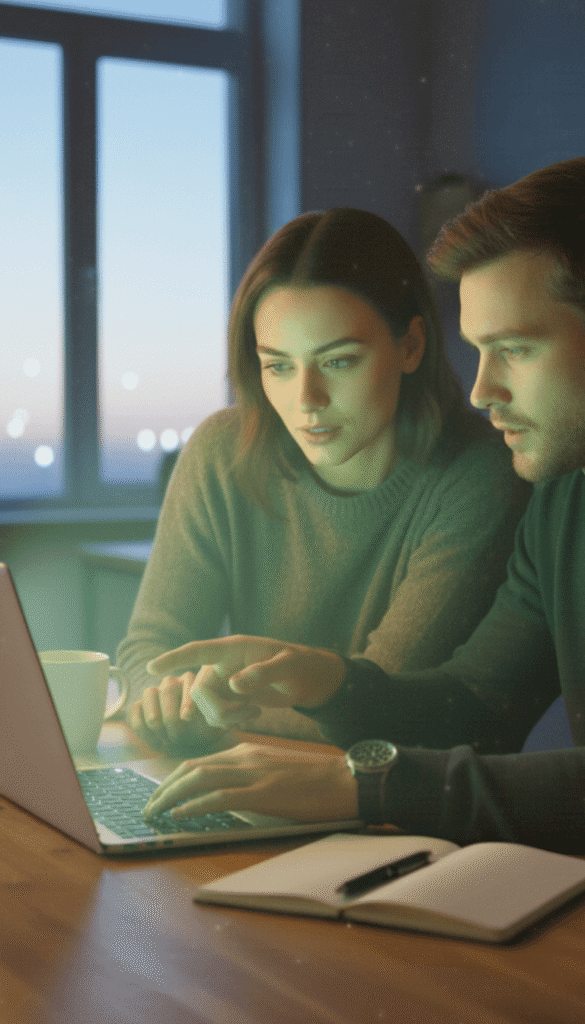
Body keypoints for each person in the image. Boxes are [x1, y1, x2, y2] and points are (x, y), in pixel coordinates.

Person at [142, 158, 585, 855]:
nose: (480, 390)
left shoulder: (495, 474)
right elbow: (478, 705)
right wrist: (331, 684)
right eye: (477, 351)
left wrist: (364, 784)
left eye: (515, 349)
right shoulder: (564, 496)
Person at [118, 207, 528, 754]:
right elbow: (150, 651)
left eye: (338, 362)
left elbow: (372, 705)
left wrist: (215, 711)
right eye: (278, 366)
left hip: (392, 806)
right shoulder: (221, 449)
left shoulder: (478, 473)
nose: (306, 401)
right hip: (253, 773)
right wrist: (161, 696)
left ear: (410, 346)